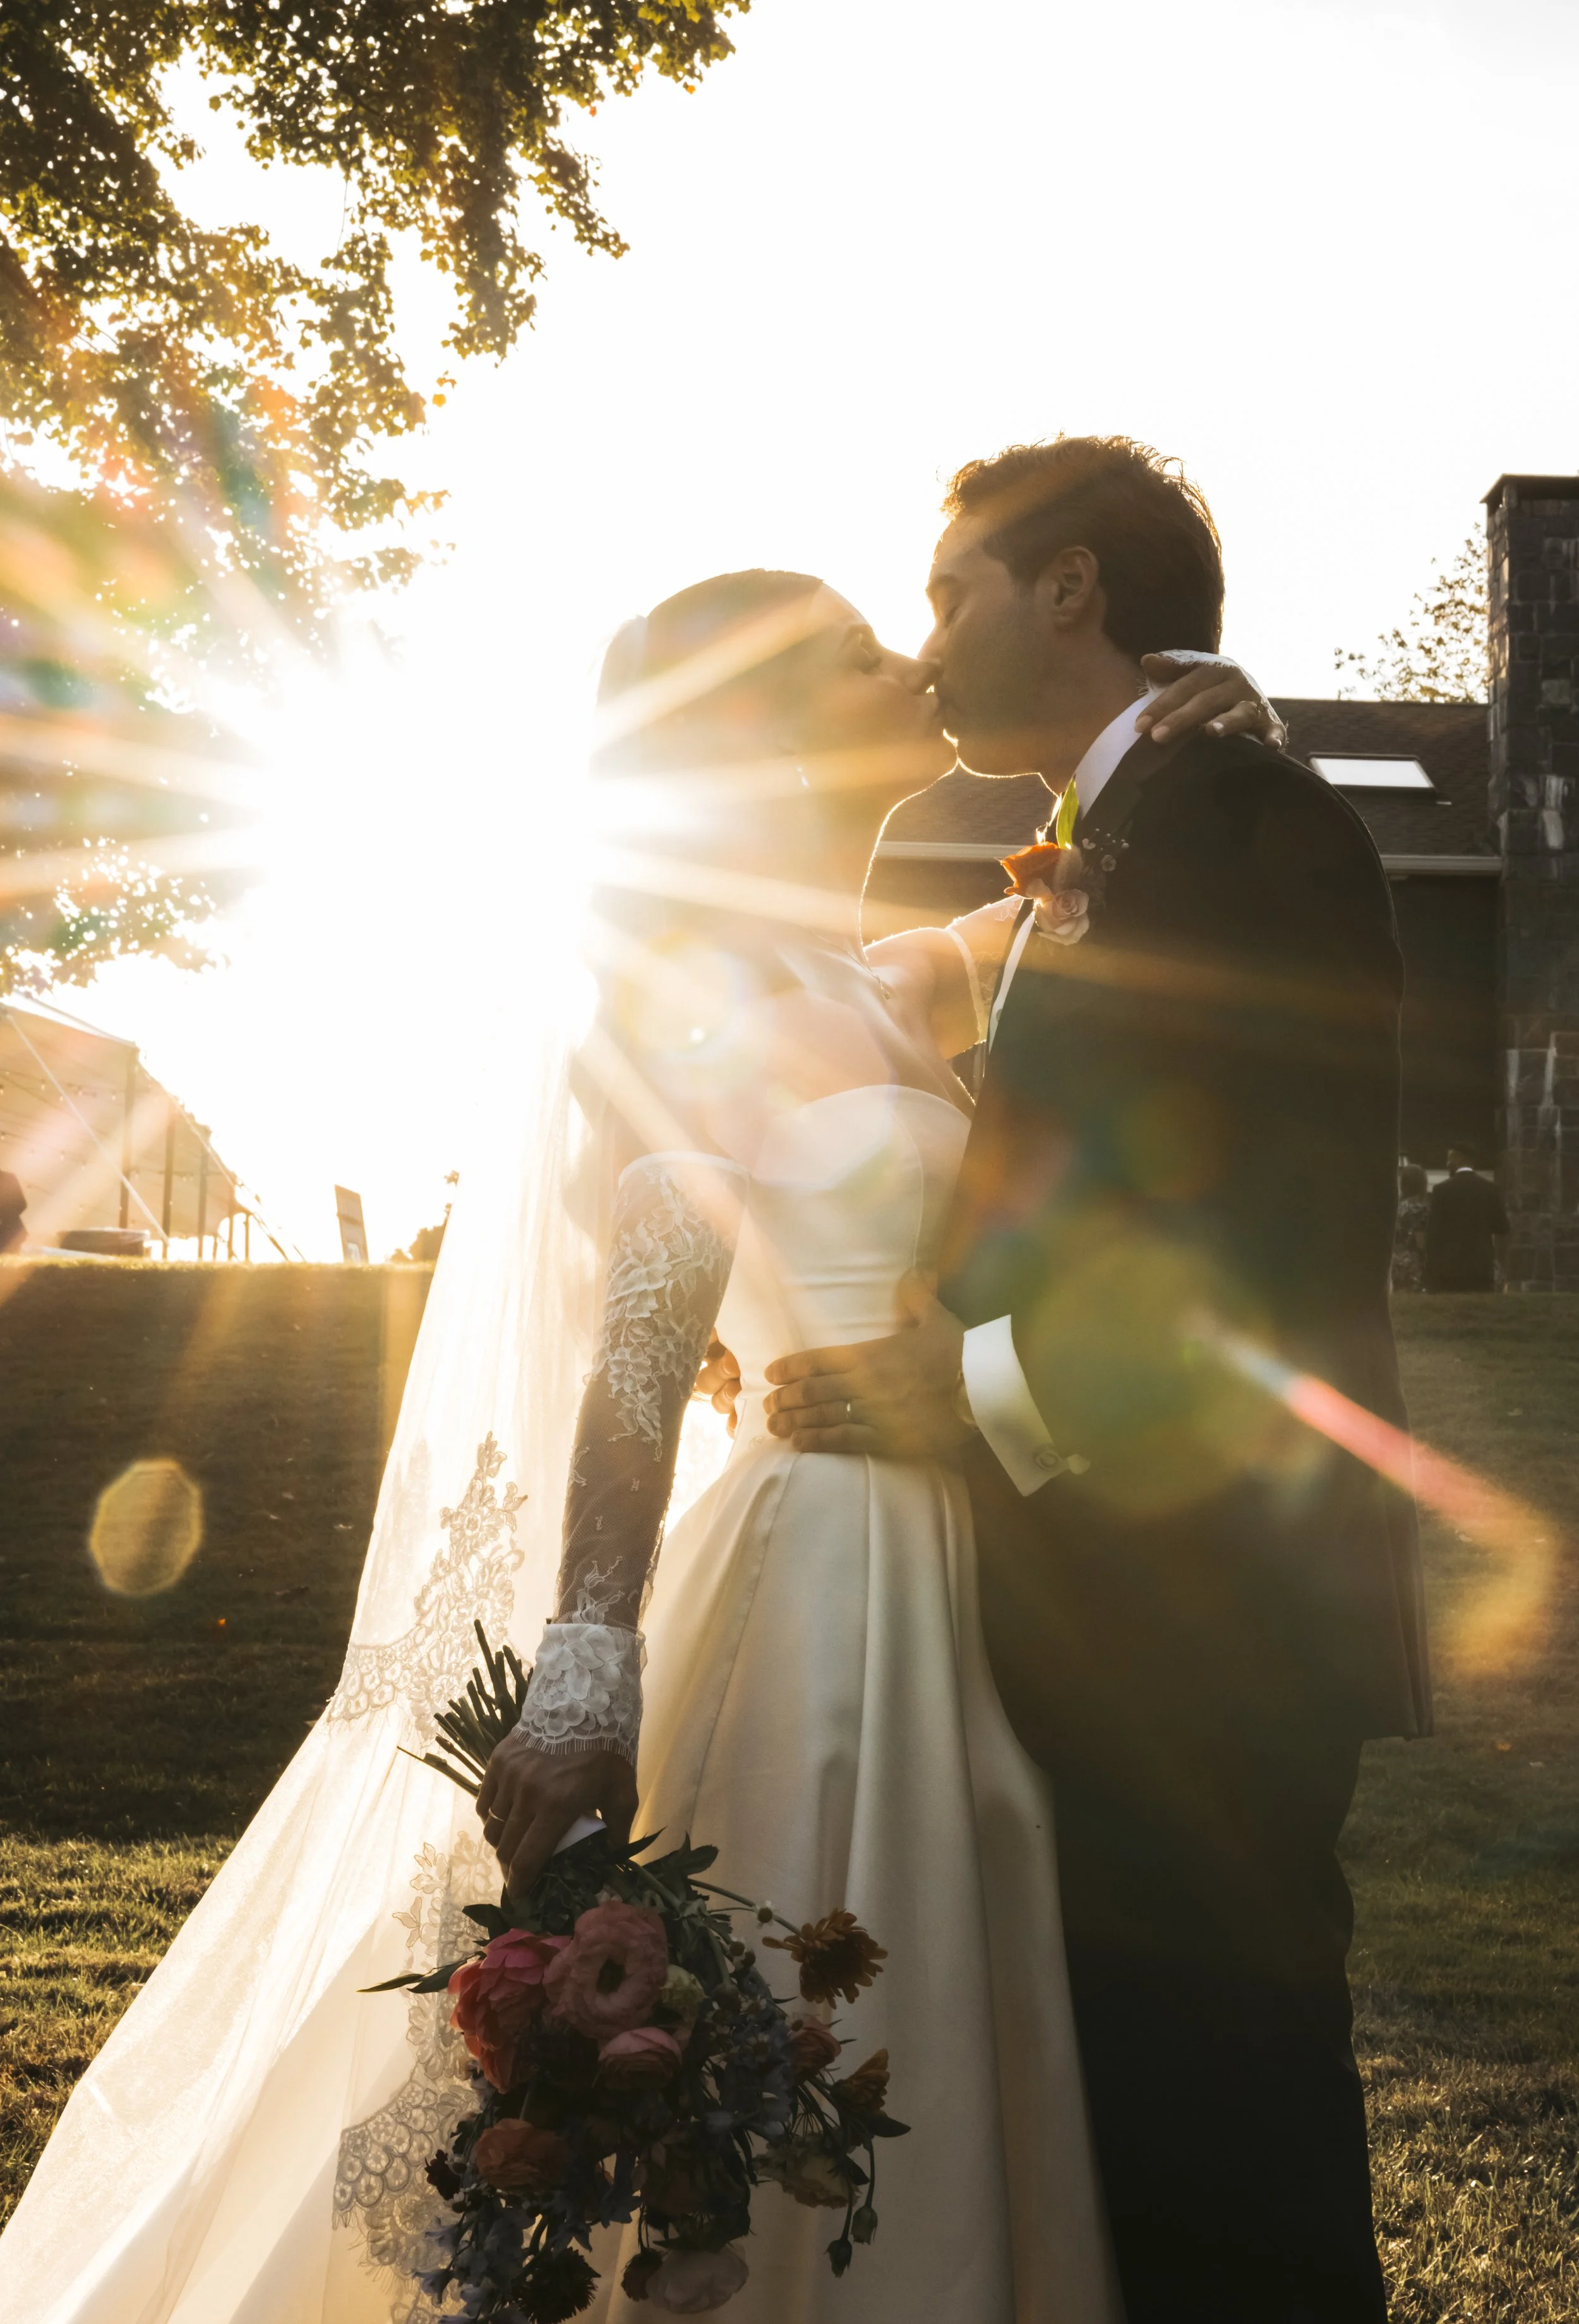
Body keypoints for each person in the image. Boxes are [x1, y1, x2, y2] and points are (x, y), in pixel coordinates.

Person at [0, 547, 1276, 2321]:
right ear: (752, 735)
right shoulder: (681, 996)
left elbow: (1115, 881)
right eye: (848, 656)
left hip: (977, 1568)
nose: (904, 662)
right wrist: (591, 1648)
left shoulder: (897, 981)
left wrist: (1209, 715)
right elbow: (642, 1348)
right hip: (816, 1574)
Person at [760, 438, 1430, 2323]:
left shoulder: (1242, 825)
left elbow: (1272, 1234)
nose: (925, 640)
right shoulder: (1124, 831)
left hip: (1201, 1602)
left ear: (1069, 587)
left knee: (1226, 2132)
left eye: (946, 590)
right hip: (1110, 1592)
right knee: (1137, 2120)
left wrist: (971, 1382)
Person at [1424, 1143, 1508, 1293]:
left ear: (1459, 1159)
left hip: (1449, 1269)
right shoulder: (1491, 1190)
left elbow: (1433, 1233)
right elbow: (1502, 1227)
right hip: (1481, 1267)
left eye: (1449, 1159)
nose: (1447, 1164)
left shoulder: (1441, 1191)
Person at [1391, 1162, 1430, 1294]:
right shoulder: (1419, 1209)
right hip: (1412, 1263)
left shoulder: (1397, 1207)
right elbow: (1421, 1243)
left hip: (1395, 1261)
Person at [0, 1169, 25, 1254]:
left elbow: (22, 1204)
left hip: (10, 1234)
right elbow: (22, 1204)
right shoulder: (9, 1178)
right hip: (13, 1233)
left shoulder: (8, 1178)